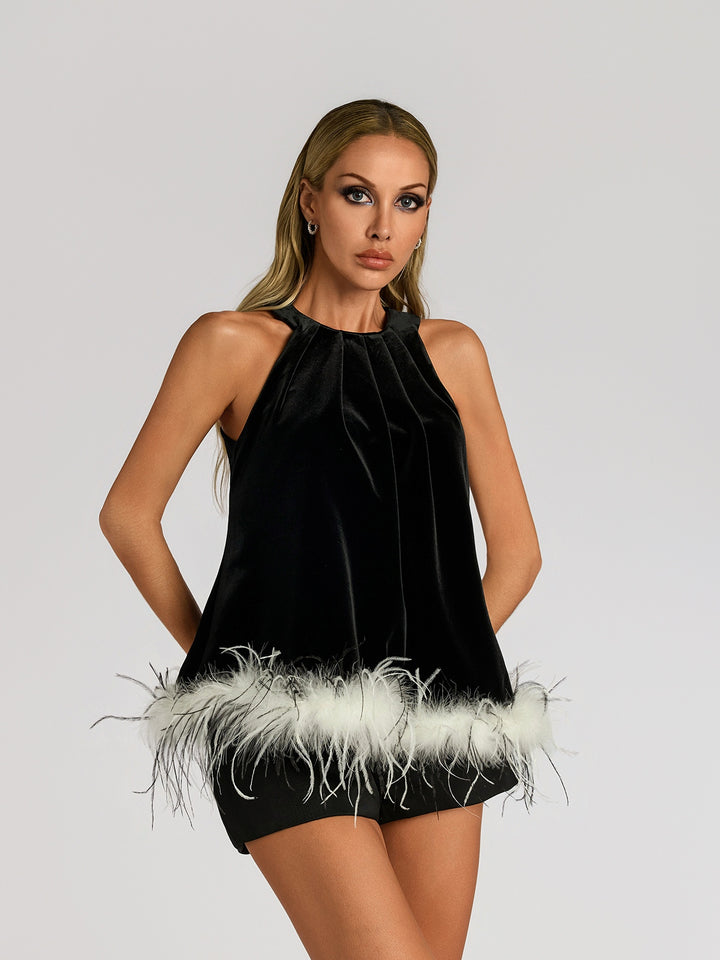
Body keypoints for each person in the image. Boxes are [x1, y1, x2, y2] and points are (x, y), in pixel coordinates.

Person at [93, 98, 569, 960]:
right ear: (309, 200)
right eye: (358, 194)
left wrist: (430, 660)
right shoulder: (232, 343)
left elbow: (518, 554)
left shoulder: (453, 353)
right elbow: (129, 515)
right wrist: (229, 667)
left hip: (441, 719)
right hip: (288, 728)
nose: (383, 227)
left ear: (426, 215)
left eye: (409, 201)